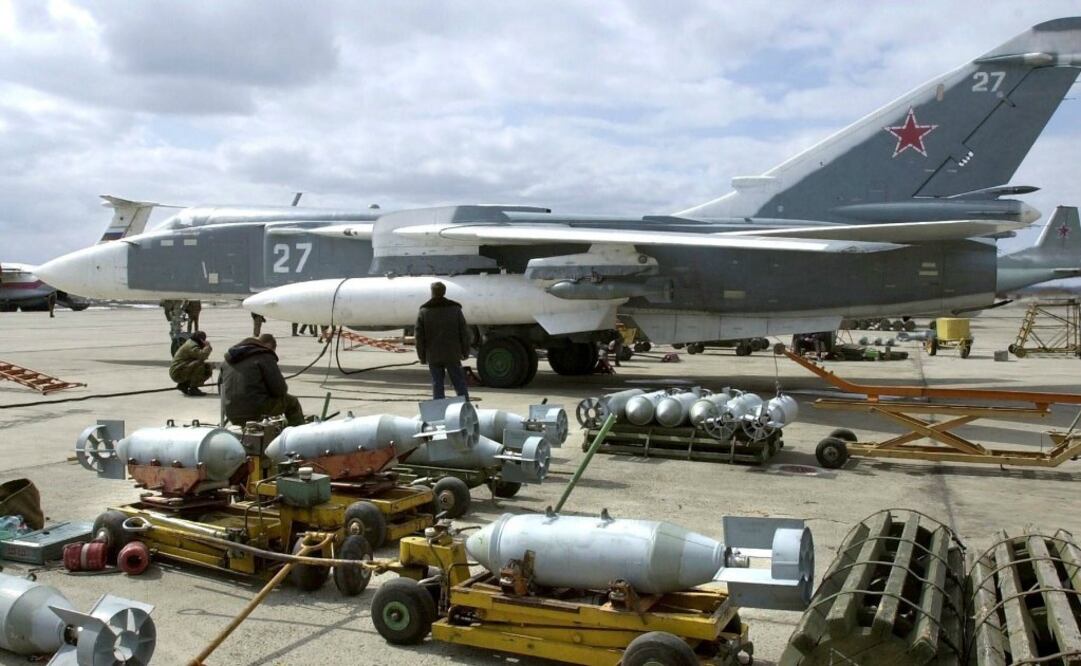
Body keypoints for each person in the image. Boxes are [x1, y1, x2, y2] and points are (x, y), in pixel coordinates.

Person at [220, 333, 304, 426]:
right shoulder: (264, 355)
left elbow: (221, 388)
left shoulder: (227, 361)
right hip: (256, 410)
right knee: (292, 402)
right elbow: (280, 390)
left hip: (231, 411)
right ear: (270, 347)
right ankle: (297, 436)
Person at [415, 281, 471, 400]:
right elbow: (464, 333)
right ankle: (465, 407)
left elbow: (419, 337)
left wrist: (422, 356)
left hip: (433, 355)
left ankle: (440, 412)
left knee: (437, 384)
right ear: (444, 292)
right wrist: (465, 352)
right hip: (452, 353)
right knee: (459, 382)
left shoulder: (424, 311)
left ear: (432, 293)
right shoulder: (455, 309)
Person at [169, 331, 213, 396]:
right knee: (204, 366)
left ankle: (184, 385)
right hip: (177, 373)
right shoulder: (192, 346)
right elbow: (202, 356)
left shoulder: (191, 343)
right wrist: (207, 346)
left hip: (178, 370)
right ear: (201, 339)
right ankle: (193, 388)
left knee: (197, 364)